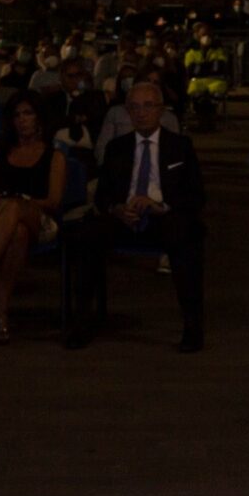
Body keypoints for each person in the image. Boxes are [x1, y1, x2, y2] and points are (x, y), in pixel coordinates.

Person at [67, 81, 205, 352]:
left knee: (184, 237)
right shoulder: (117, 147)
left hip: (164, 215)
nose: (141, 113)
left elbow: (196, 195)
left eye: (148, 106)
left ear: (161, 110)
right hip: (125, 216)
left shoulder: (179, 146)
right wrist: (117, 208)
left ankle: (192, 326)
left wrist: (160, 205)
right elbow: (103, 195)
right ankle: (81, 320)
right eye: (134, 107)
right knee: (86, 237)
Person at [0, 90, 66, 343]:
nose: (22, 119)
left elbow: (53, 201)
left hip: (38, 215)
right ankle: (0, 311)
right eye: (17, 115)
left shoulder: (55, 156)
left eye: (28, 113)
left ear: (39, 117)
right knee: (16, 232)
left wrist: (19, 204)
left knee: (17, 207)